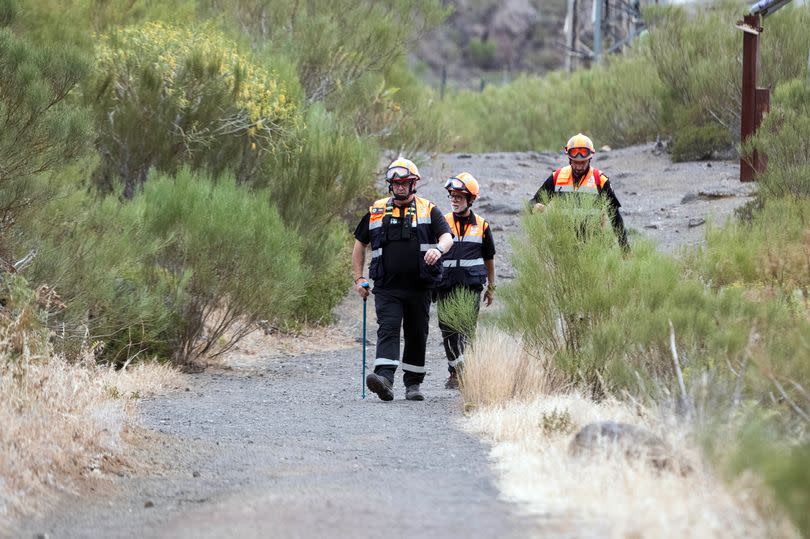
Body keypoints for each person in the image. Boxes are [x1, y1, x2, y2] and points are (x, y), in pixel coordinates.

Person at [352, 157, 453, 401]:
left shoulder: (429, 209)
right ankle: (384, 379)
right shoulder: (376, 210)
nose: (399, 187)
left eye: (404, 183)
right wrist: (359, 279)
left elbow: (447, 238)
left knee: (417, 333)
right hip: (387, 287)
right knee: (388, 328)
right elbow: (359, 244)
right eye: (395, 183)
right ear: (390, 185)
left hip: (420, 286)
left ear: (413, 184)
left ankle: (413, 384)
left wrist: (437, 250)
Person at [435, 173, 496, 390]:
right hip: (445, 286)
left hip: (470, 287)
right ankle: (456, 371)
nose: (454, 199)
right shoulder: (441, 221)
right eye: (452, 195)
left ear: (471, 199)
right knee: (447, 330)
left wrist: (491, 287)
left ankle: (467, 372)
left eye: (460, 196)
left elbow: (489, 258)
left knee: (467, 330)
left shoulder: (482, 225)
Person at [531, 133, 629, 249]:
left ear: (590, 159)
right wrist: (535, 207)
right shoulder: (557, 177)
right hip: (563, 244)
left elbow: (615, 217)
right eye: (575, 162)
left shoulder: (600, 180)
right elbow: (533, 202)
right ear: (569, 159)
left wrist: (625, 248)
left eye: (582, 162)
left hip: (593, 246)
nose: (578, 166)